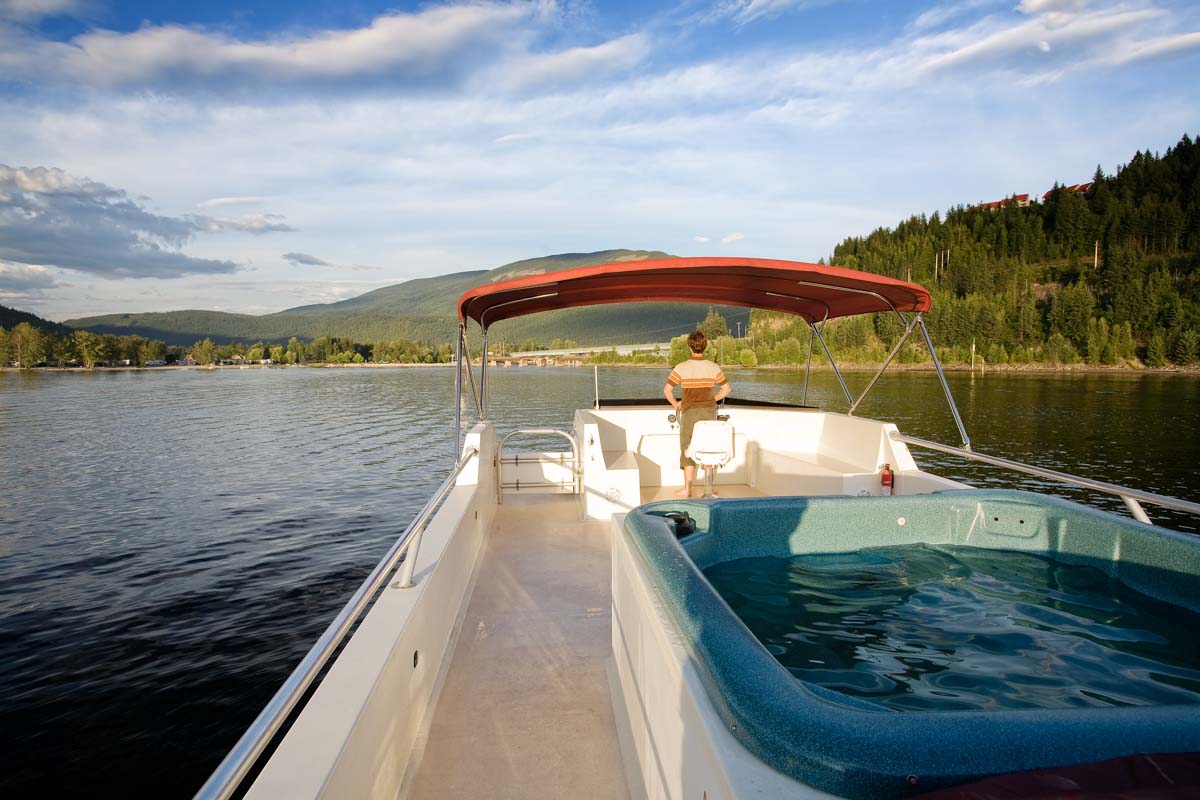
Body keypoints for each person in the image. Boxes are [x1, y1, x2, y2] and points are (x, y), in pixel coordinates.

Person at [663, 330, 731, 498]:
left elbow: (667, 390)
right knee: (711, 447)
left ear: (690, 347)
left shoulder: (681, 367)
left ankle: (687, 489)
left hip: (689, 413)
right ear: (704, 347)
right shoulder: (713, 367)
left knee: (687, 449)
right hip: (709, 413)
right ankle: (710, 487)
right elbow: (726, 389)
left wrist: (676, 404)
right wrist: (712, 398)